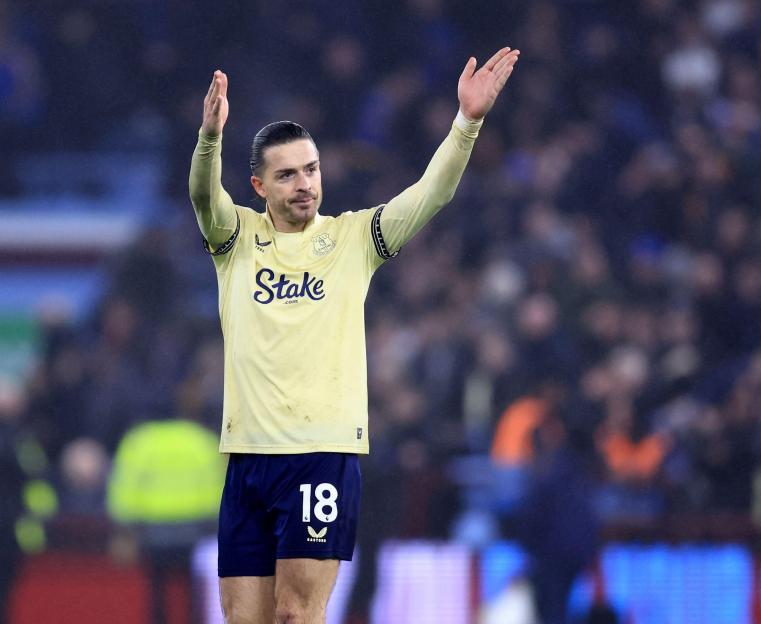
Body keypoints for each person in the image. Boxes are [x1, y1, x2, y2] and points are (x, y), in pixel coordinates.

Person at [189, 47, 520, 623]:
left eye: (311, 170)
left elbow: (431, 193)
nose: (304, 184)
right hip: (247, 457)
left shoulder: (353, 239)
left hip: (321, 454)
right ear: (259, 185)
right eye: (287, 175)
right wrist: (210, 138)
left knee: (296, 614)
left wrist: (467, 122)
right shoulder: (235, 238)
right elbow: (202, 194)